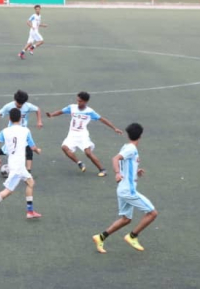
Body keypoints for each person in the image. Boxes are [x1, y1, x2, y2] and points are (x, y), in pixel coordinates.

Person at [92, 123, 158, 254]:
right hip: (128, 190)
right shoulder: (131, 149)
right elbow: (116, 159)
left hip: (122, 189)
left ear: (128, 135)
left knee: (126, 219)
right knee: (152, 213)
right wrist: (117, 173)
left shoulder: (126, 147)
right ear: (140, 136)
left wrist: (135, 171)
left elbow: (125, 163)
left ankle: (100, 237)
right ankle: (132, 236)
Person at [0, 108, 42, 222]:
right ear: (20, 118)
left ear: (9, 118)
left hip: (14, 164)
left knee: (30, 182)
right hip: (18, 166)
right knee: (8, 191)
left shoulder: (5, 131)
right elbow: (32, 147)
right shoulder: (25, 131)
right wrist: (38, 150)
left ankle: (30, 211)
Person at [46, 92, 123, 177]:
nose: (78, 103)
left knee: (88, 153)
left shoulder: (89, 111)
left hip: (82, 135)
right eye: (77, 100)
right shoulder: (72, 107)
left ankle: (102, 170)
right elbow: (61, 111)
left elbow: (102, 119)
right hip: (72, 134)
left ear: (85, 102)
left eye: (80, 101)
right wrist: (51, 114)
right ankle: (79, 163)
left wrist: (114, 128)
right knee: (64, 147)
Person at [0, 89, 43, 174]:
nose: (20, 105)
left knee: (28, 149)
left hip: (22, 132)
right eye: (18, 103)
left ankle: (28, 171)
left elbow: (37, 109)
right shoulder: (8, 106)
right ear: (15, 100)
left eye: (22, 104)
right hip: (12, 132)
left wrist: (39, 121)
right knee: (10, 150)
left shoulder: (28, 106)